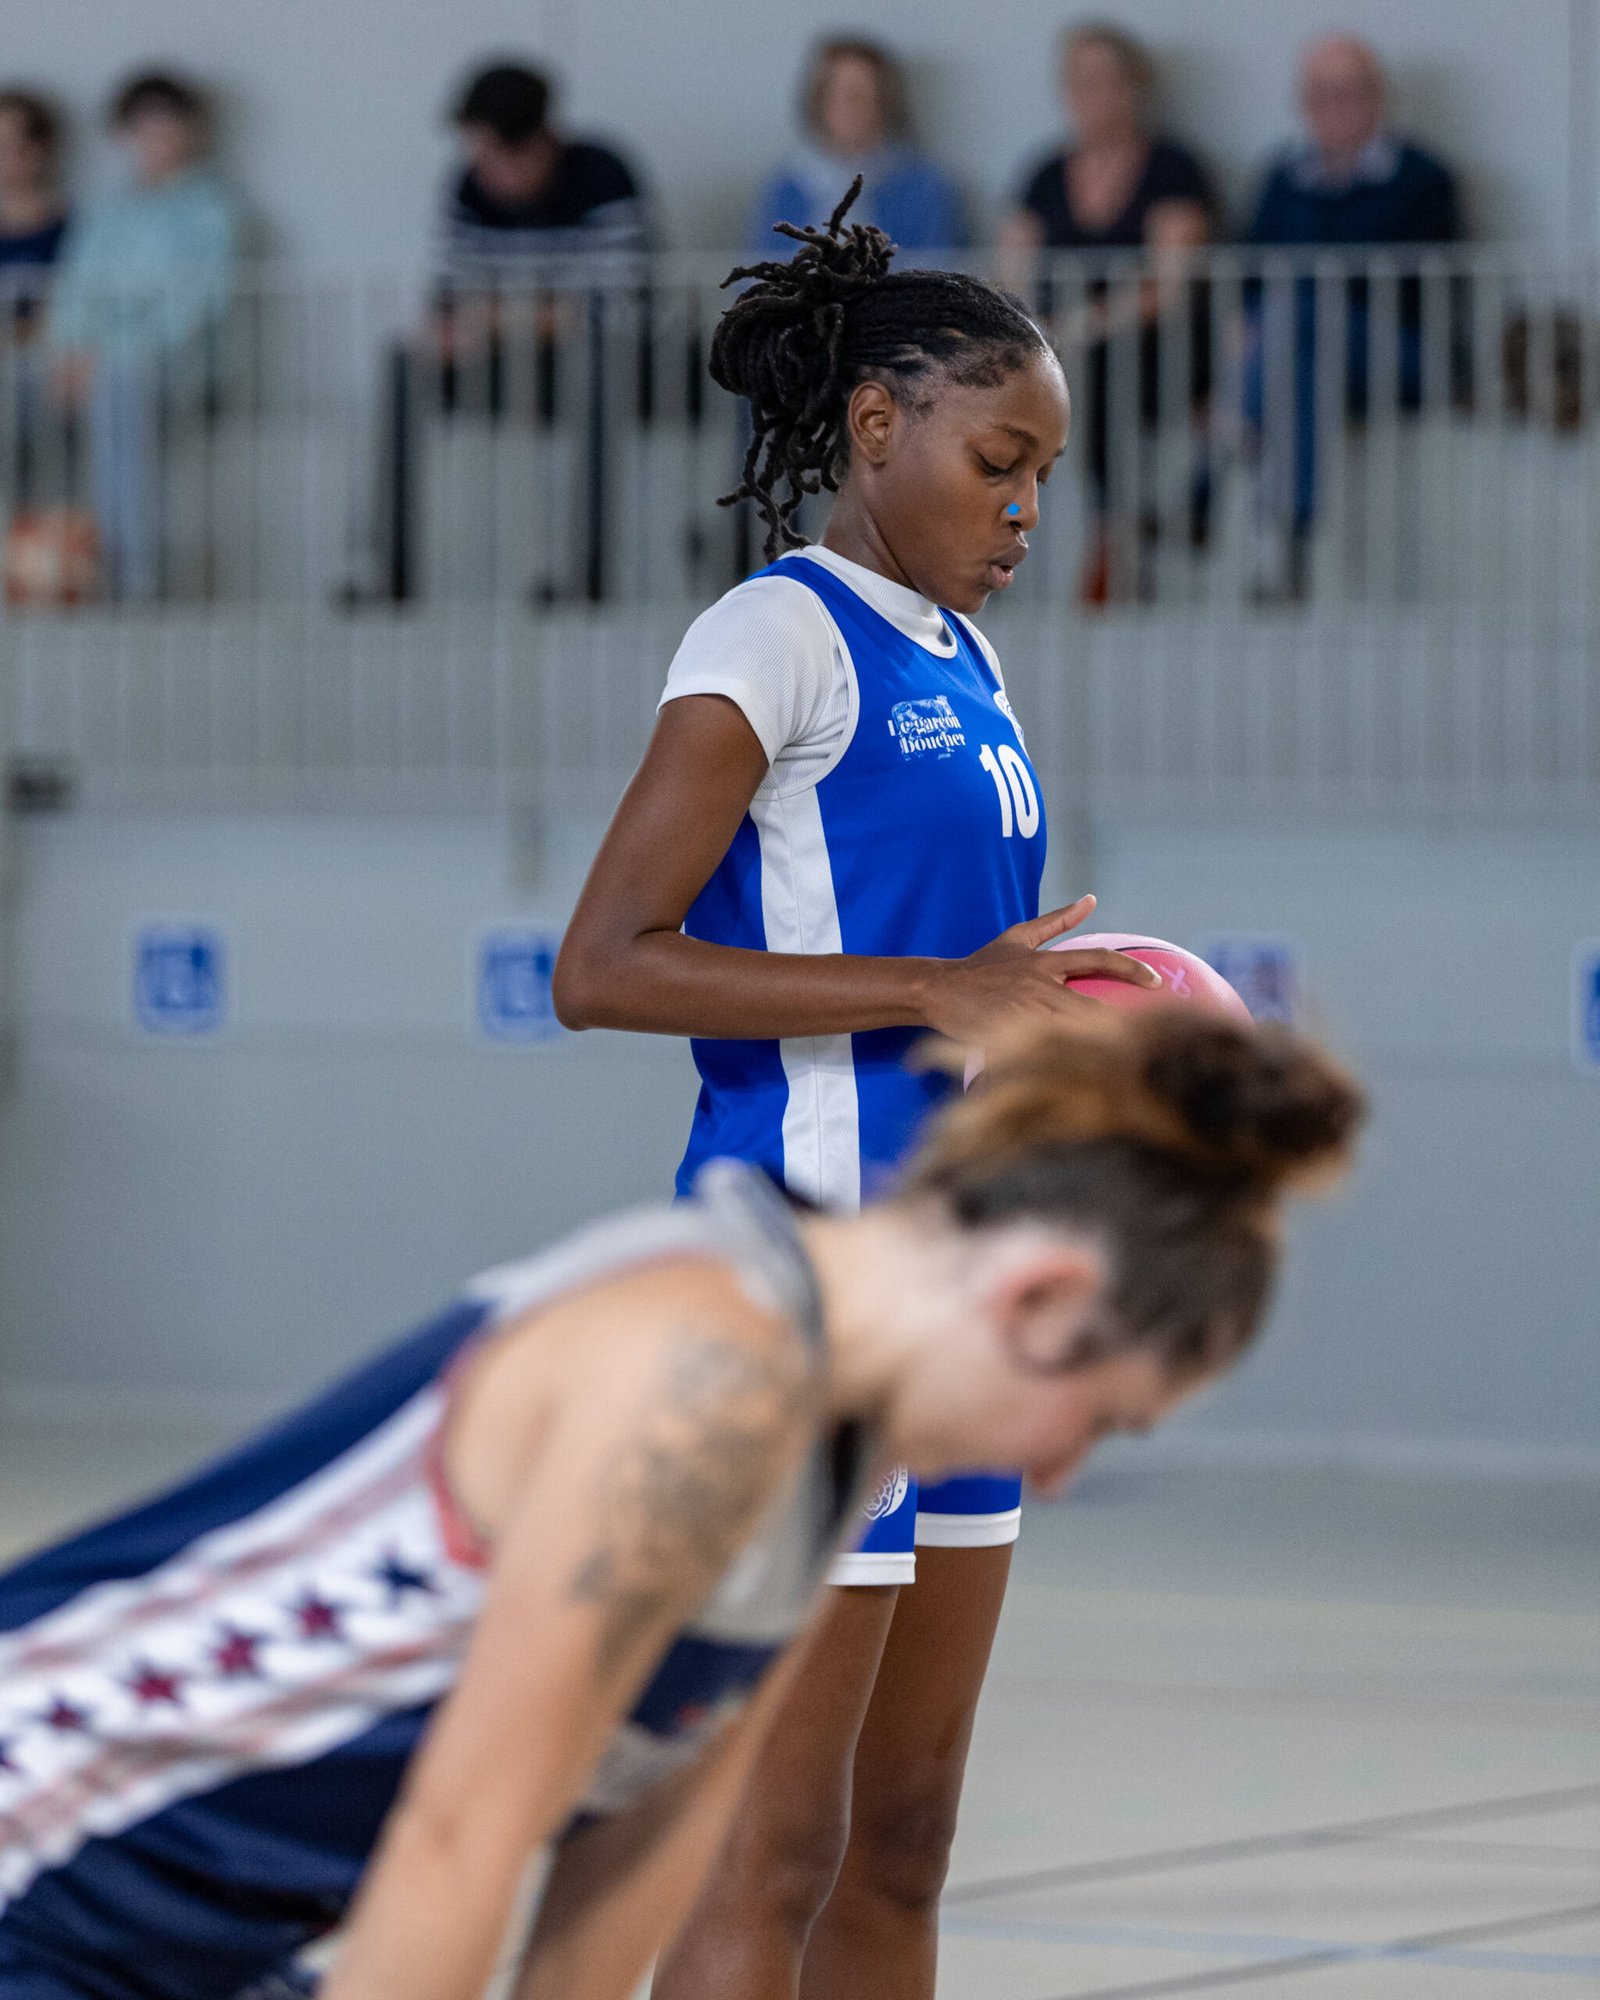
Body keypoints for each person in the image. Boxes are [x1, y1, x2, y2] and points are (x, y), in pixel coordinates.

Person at [0, 1008, 1363, 2000]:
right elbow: (458, 1839)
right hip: (41, 1877)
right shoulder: (705, 1383)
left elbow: (638, 1832)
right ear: (1038, 1299)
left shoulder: (829, 1431)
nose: (1060, 1474)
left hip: (174, 1938)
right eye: (1099, 1418)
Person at [552, 184, 1141, 1999]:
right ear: (877, 426)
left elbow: (962, 979)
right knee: (773, 1850)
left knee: (903, 1841)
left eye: (1045, 475)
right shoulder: (774, 636)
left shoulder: (968, 657)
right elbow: (604, 963)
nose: (1025, 508)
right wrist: (934, 985)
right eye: (998, 464)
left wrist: (1055, 1027)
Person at [364, 61, 649, 606]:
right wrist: (450, 333)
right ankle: (390, 573)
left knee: (593, 367)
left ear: (540, 143)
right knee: (404, 363)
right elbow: (451, 298)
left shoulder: (602, 175)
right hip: (501, 368)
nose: (485, 171)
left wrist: (496, 317)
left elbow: (616, 307)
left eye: (497, 157)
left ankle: (588, 580)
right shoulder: (468, 186)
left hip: (602, 368)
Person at [999, 23, 1215, 604]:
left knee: (1093, 371)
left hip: (1157, 354)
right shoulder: (1045, 174)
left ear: (1135, 87)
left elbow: (1168, 284)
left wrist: (1078, 327)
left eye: (1103, 80)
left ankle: (1112, 543)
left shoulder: (1173, 170)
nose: (1089, 94)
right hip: (1056, 350)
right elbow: (1009, 278)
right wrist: (1038, 331)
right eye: (1078, 80)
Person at [1242, 35, 1463, 599]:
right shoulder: (1281, 178)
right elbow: (1247, 281)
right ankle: (1288, 537)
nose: (1335, 108)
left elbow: (1424, 291)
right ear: (1303, 104)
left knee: (1297, 312)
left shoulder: (1421, 178)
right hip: (1304, 356)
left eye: (1349, 93)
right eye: (1322, 95)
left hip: (1404, 352)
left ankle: (1222, 453)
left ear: (1378, 97)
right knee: (1295, 356)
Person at [45, 72, 237, 602]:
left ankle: (130, 574)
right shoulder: (108, 213)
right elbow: (74, 291)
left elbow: (195, 307)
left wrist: (103, 356)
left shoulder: (213, 211)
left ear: (193, 130)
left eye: (167, 125)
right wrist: (66, 354)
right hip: (90, 364)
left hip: (175, 367)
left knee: (120, 386)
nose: (155, 139)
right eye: (142, 127)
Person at [751, 39, 964, 261]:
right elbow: (760, 265)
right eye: (839, 95)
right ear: (819, 101)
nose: (851, 109)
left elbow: (937, 267)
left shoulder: (924, 187)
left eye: (862, 96)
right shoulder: (786, 186)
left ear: (884, 102)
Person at [0, 90, 69, 535]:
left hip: (39, 365)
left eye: (16, 144)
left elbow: (69, 313)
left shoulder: (74, 229)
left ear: (41, 148)